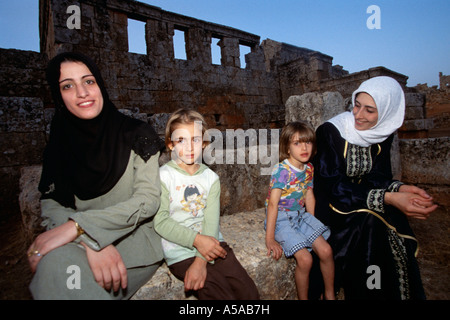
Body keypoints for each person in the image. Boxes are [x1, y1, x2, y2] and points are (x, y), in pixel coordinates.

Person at [27, 52, 165, 299]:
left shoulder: (137, 133)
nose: (82, 93)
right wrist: (88, 240)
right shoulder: (58, 145)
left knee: (57, 274)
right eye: (68, 86)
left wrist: (85, 229)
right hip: (76, 243)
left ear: (99, 84)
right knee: (55, 268)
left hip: (134, 241)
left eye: (88, 81)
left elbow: (148, 200)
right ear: (58, 96)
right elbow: (53, 201)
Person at [313, 76, 438, 300]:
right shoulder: (331, 131)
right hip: (334, 204)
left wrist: (400, 189)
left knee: (392, 221)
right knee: (370, 222)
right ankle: (370, 292)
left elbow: (378, 176)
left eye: (369, 110)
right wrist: (387, 198)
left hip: (363, 199)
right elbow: (331, 185)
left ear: (386, 113)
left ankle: (393, 291)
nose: (358, 115)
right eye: (357, 105)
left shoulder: (384, 133)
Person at [154, 108, 260, 300]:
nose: (189, 147)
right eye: (181, 140)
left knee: (249, 293)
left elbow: (211, 221)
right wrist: (197, 242)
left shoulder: (210, 178)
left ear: (203, 143)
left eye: (195, 139)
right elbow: (160, 221)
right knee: (219, 294)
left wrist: (201, 260)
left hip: (212, 243)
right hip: (180, 250)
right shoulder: (163, 176)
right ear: (170, 144)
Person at [265, 121, 335, 300]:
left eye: (308, 142)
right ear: (287, 148)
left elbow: (309, 194)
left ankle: (329, 294)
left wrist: (312, 223)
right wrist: (270, 238)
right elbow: (273, 204)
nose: (304, 147)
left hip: (301, 216)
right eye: (297, 143)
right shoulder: (281, 170)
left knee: (326, 251)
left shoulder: (309, 168)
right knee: (305, 259)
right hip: (281, 218)